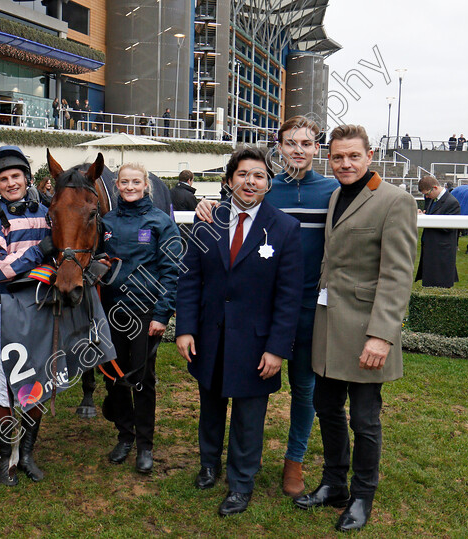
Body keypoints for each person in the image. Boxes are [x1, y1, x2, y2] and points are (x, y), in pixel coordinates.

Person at [198, 116, 337, 497]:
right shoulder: (264, 188)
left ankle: (294, 461)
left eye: (306, 143)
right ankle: (236, 461)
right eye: (291, 143)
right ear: (278, 147)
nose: (298, 150)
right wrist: (207, 204)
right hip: (262, 308)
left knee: (304, 388)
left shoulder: (332, 191)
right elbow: (234, 207)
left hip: (310, 305)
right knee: (245, 385)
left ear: (316, 149)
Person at [294, 125, 417, 532]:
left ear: (370, 156)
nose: (345, 163)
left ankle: (363, 494)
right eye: (337, 157)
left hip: (367, 332)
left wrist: (382, 335)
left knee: (364, 420)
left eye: (353, 156)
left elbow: (398, 274)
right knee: (327, 409)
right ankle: (334, 483)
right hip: (329, 328)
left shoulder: (395, 201)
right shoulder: (334, 195)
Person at [177, 147, 302, 517]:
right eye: (243, 174)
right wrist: (185, 329)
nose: (251, 181)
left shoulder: (284, 228)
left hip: (256, 342)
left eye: (259, 175)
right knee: (210, 405)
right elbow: (190, 280)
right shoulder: (206, 223)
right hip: (210, 336)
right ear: (230, 180)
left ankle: (241, 482)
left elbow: (289, 296)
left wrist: (277, 348)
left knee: (249, 417)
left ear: (268, 183)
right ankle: (209, 463)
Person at [0, 145, 53, 486]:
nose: (10, 184)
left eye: (15, 177)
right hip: (4, 310)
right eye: (3, 179)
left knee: (37, 384)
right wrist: (39, 252)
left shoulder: (48, 213)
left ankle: (28, 454)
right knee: (6, 388)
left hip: (40, 308)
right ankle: (5, 458)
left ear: (27, 178)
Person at [100, 163, 180, 474]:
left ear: (145, 185)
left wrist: (162, 314)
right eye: (124, 182)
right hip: (111, 311)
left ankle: (145, 445)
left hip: (145, 313)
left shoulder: (160, 222)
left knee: (143, 379)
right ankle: (125, 434)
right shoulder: (105, 222)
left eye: (136, 181)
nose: (130, 187)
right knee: (113, 373)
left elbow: (171, 271)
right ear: (116, 186)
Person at [416, 175, 460, 287]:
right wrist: (424, 215)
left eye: (427, 193)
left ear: (435, 188)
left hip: (442, 255)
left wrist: (427, 218)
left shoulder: (452, 202)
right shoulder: (434, 199)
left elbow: (448, 227)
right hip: (431, 251)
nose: (427, 196)